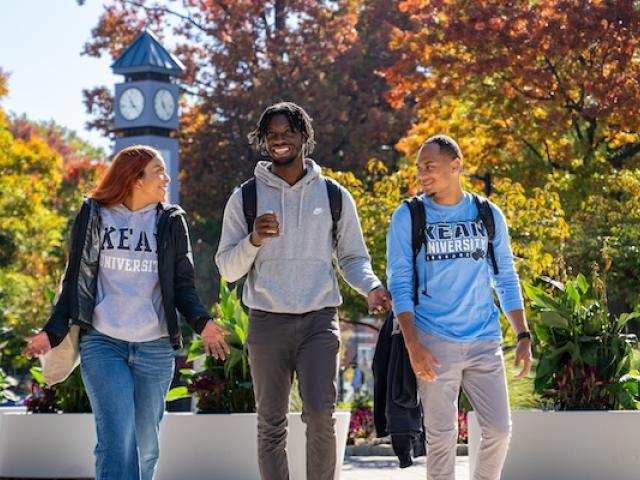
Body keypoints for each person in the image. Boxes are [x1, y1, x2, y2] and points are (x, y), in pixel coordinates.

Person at [23, 145, 229, 480]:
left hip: (155, 347)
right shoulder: (94, 215)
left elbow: (183, 287)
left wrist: (203, 322)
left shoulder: (171, 221)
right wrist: (52, 331)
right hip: (103, 344)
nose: (166, 178)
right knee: (116, 439)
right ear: (135, 178)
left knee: (146, 446)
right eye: (159, 171)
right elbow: (75, 281)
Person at [215, 101, 391, 480]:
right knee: (271, 423)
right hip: (266, 323)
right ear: (263, 141)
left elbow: (352, 258)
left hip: (318, 321)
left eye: (287, 133)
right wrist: (253, 240)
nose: (280, 141)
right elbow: (227, 267)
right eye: (272, 135)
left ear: (304, 137)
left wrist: (372, 287)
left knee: (320, 416)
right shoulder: (245, 197)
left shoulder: (332, 195)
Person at [386, 135, 533, 480]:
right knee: (441, 439)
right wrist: (413, 344)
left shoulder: (487, 213)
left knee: (499, 429)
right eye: (419, 167)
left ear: (456, 166)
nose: (422, 174)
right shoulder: (409, 215)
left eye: (430, 166)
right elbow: (400, 283)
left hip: (484, 340)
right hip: (433, 341)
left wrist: (522, 334)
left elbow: (506, 278)